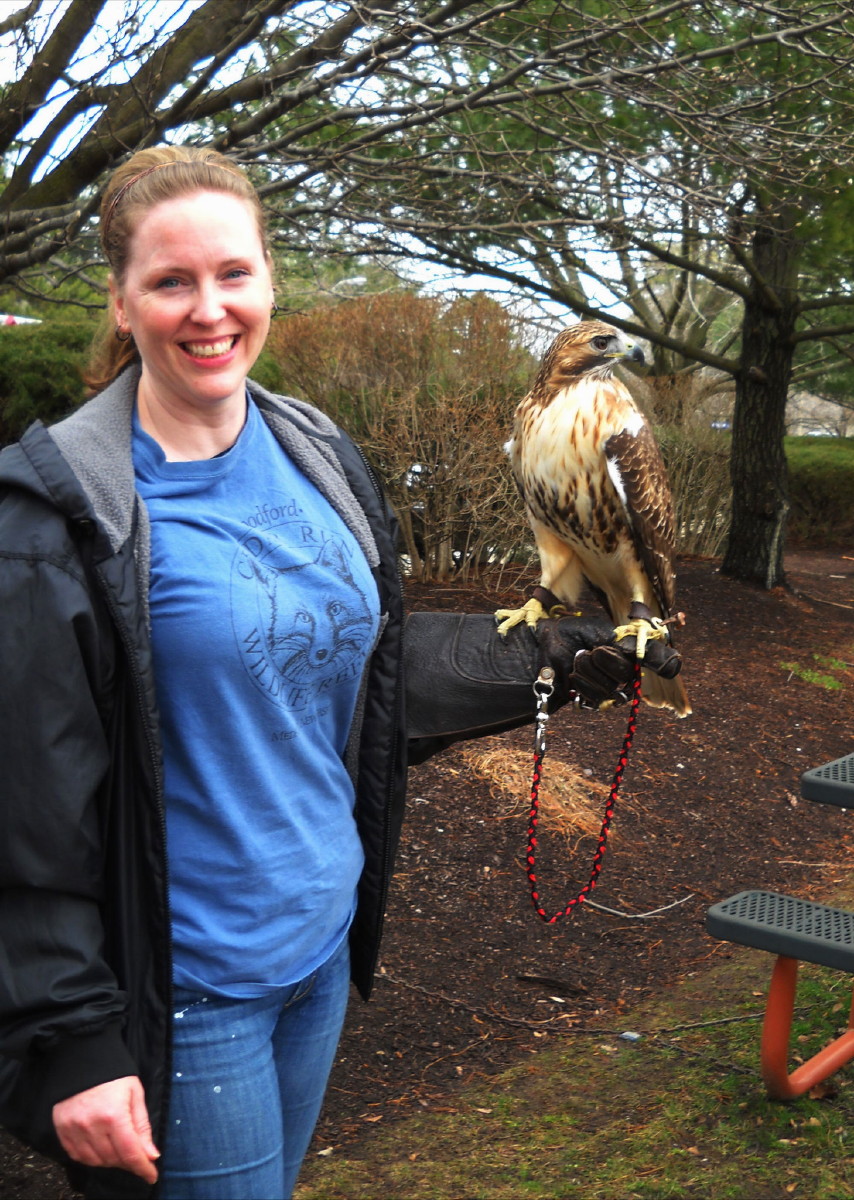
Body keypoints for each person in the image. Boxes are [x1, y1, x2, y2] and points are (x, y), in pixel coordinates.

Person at [0, 145, 681, 1200]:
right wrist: (68, 1035)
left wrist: (539, 660)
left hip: (319, 953)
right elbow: (26, 803)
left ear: (268, 281)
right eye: (171, 281)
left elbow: (352, 673)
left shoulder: (313, 449)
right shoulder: (59, 515)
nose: (209, 309)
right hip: (188, 983)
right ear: (122, 303)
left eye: (234, 273)